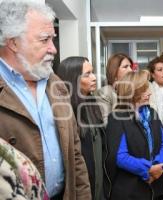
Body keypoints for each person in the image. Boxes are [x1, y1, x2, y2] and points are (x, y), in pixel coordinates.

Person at [0, 1, 91, 199]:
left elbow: (75, 156)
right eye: (44, 40)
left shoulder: (56, 84)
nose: (53, 49)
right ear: (13, 42)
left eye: (53, 39)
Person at [105, 70, 163, 200]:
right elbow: (120, 157)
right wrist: (149, 169)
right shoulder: (117, 118)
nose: (149, 93)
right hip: (130, 189)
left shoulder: (152, 113)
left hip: (155, 185)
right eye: (144, 90)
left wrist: (158, 165)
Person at [56, 56, 106, 200]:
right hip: (80, 189)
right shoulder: (65, 111)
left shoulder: (92, 104)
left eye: (93, 72)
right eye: (87, 74)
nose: (94, 78)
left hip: (98, 186)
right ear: (74, 79)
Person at [95, 53, 133, 126]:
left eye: (130, 67)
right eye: (125, 67)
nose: (130, 70)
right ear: (114, 72)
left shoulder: (131, 91)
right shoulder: (105, 92)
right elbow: (107, 124)